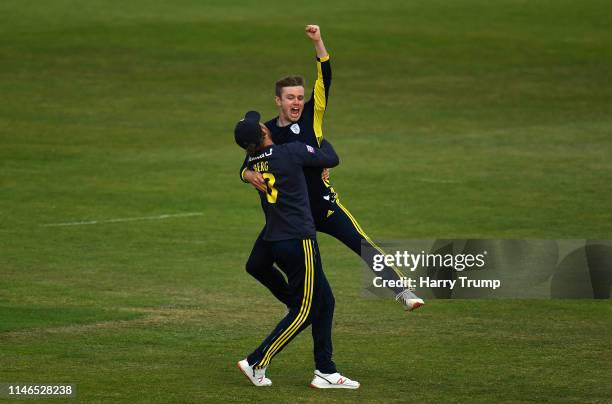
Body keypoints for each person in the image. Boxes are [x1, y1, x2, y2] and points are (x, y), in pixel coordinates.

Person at [240, 25, 424, 310]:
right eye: (290, 98)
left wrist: (318, 42)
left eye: (300, 97)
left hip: (324, 205)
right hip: (293, 216)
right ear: (278, 100)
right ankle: (294, 303)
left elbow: (324, 79)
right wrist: (246, 173)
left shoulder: (313, 114)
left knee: (361, 242)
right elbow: (249, 157)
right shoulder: (267, 132)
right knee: (258, 264)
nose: (297, 102)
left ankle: (403, 291)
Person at [234, 110, 360, 389]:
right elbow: (331, 157)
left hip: (275, 238)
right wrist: (319, 138)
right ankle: (257, 361)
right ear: (264, 134)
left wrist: (245, 171)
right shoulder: (289, 153)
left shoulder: (253, 165)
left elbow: (247, 165)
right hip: (299, 239)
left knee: (325, 302)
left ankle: (325, 370)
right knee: (307, 309)